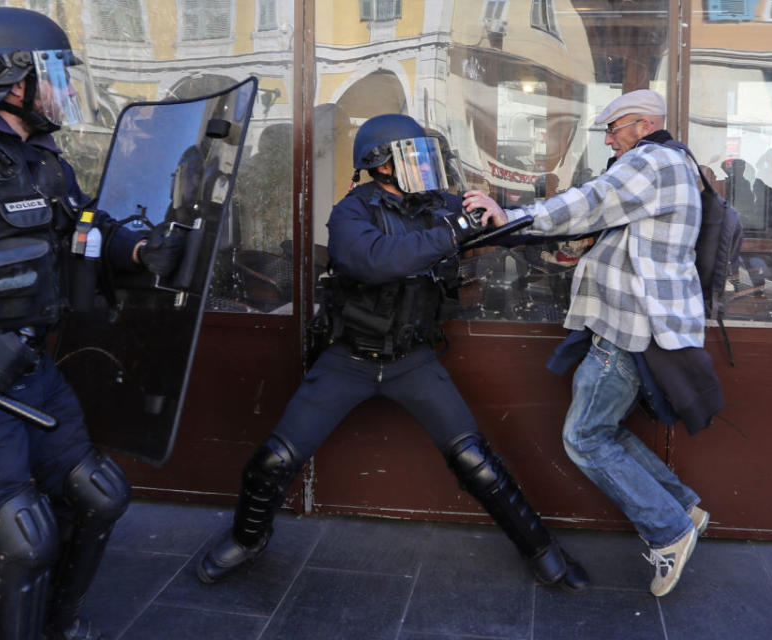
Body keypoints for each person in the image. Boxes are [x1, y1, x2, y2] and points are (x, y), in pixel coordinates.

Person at [196, 113, 589, 593]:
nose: (422, 164)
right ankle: (246, 538)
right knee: (273, 462)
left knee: (476, 463)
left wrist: (506, 212)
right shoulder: (351, 212)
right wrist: (451, 234)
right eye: (411, 154)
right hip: (349, 360)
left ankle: (542, 550)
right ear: (381, 164)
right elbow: (373, 260)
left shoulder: (439, 205)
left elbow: (505, 227)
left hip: (412, 360)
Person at [0, 8, 183, 640]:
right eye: (51, 73)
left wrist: (135, 248)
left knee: (97, 494)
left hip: (34, 370)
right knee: (16, 536)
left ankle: (56, 624)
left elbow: (82, 227)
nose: (61, 90)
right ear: (9, 78)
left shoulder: (39, 156)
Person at [463, 89, 710, 597]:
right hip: (634, 323)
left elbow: (589, 201)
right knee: (603, 428)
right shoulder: (675, 163)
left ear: (643, 125)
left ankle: (670, 532)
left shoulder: (652, 160)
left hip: (626, 326)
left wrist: (508, 215)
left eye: (614, 129)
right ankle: (682, 506)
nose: (609, 139)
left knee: (585, 438)